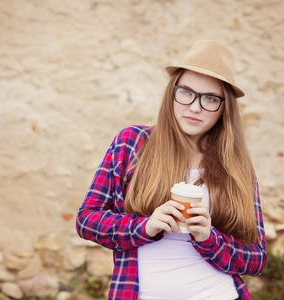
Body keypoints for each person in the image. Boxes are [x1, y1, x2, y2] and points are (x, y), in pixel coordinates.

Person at [76, 40, 267, 300]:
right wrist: (145, 226)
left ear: (224, 109)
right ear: (172, 92)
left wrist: (209, 238)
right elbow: (87, 220)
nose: (196, 106)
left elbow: (256, 258)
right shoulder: (132, 143)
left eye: (210, 98)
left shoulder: (236, 166)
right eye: (186, 92)